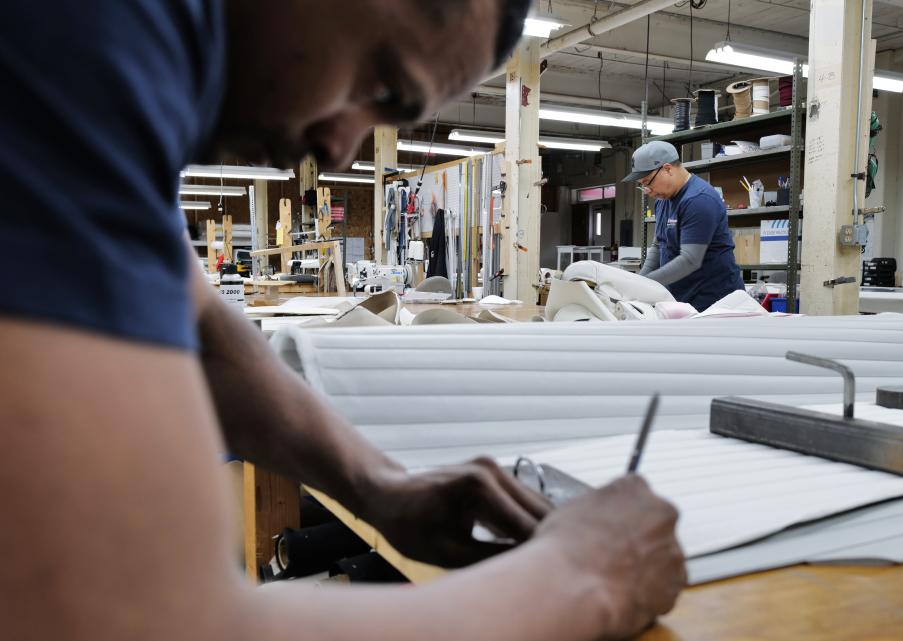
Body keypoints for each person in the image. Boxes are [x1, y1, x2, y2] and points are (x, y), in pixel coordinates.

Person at [0, 2, 686, 641]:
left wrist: (377, 484)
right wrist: (580, 580)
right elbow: (149, 621)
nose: (339, 150)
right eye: (379, 83)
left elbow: (200, 324)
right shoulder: (81, 36)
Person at [623, 141, 745, 311]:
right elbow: (659, 245)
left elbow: (690, 260)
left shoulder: (698, 200)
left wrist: (646, 286)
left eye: (648, 182)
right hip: (683, 300)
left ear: (667, 169)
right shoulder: (662, 201)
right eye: (642, 185)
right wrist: (640, 282)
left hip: (715, 303)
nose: (647, 191)